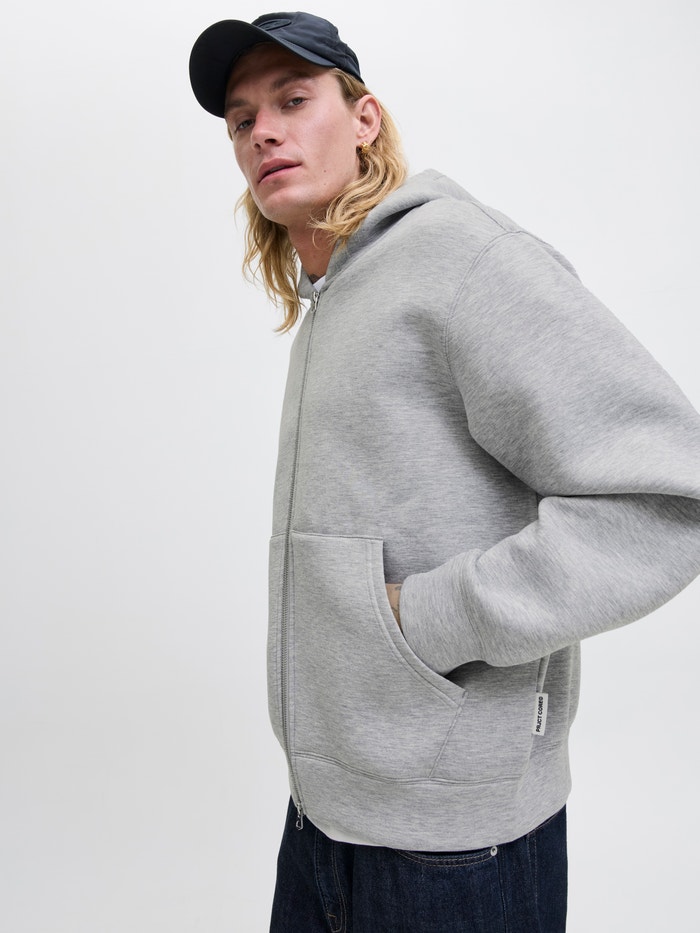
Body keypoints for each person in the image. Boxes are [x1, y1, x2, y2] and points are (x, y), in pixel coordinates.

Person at [189, 12, 700, 931]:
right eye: (241, 118)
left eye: (293, 100)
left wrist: (422, 619)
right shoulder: (333, 297)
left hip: (454, 853)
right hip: (323, 821)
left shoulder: (461, 259)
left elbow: (668, 495)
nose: (262, 131)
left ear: (365, 119)